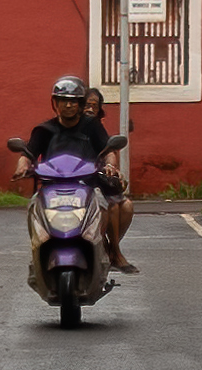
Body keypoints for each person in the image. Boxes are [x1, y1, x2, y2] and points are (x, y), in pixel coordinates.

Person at [13, 72, 134, 276]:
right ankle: (38, 258)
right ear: (55, 103)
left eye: (73, 101)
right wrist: (22, 166)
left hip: (87, 185)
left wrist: (111, 166)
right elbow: (27, 154)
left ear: (80, 103)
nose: (68, 106)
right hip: (51, 188)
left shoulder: (91, 125)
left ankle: (108, 250)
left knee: (106, 206)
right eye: (62, 101)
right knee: (33, 208)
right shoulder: (44, 129)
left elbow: (108, 151)